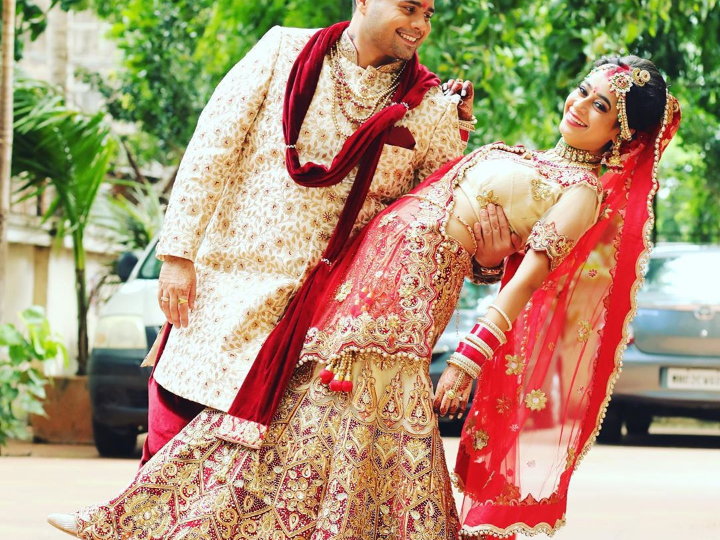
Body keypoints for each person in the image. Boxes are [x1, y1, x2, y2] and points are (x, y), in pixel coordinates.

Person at [50, 56, 679, 539]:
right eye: (584, 90)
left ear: (620, 133)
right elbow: (478, 239)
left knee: (350, 418)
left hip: (409, 295)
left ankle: (144, 520)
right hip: (361, 276)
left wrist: (469, 355)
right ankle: (146, 515)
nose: (580, 106)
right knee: (282, 406)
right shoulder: (524, 154)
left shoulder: (581, 193)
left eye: (601, 107)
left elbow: (527, 278)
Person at [137, 0, 516, 467]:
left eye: (429, 15)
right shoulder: (282, 51)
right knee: (171, 460)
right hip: (222, 299)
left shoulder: (430, 108)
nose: (420, 26)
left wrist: (486, 262)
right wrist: (177, 256)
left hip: (322, 328)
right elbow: (212, 148)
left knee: (269, 487)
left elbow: (433, 222)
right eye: (409, 9)